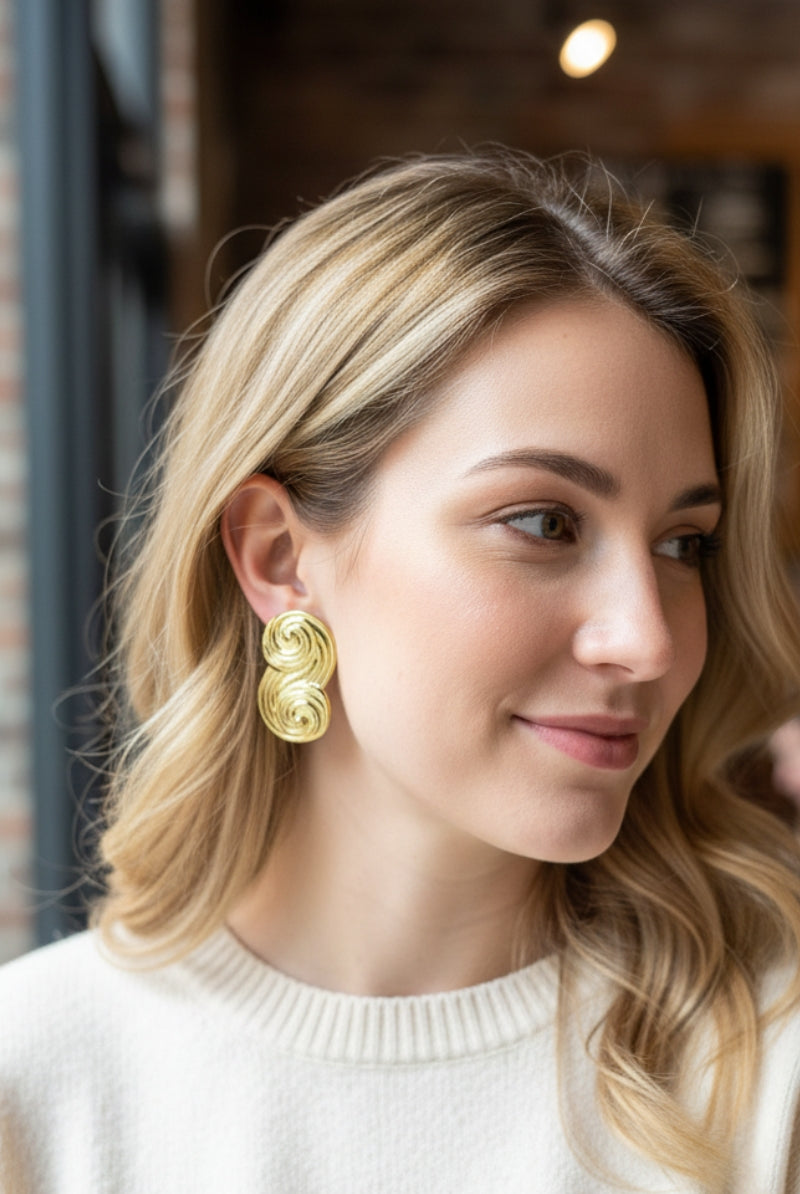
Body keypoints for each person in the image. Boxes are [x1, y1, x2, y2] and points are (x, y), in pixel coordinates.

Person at [2, 149, 800, 1193]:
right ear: (279, 558)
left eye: (680, 544)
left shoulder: (767, 1075)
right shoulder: (39, 1087)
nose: (645, 639)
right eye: (542, 522)